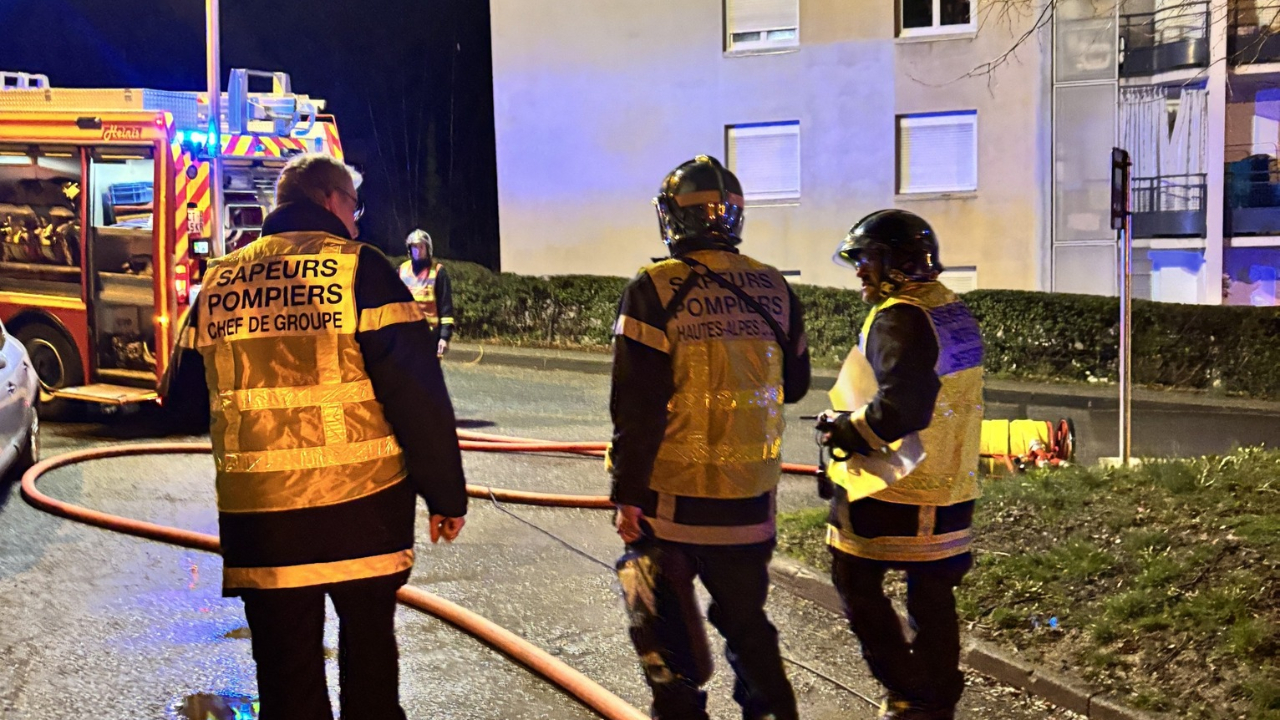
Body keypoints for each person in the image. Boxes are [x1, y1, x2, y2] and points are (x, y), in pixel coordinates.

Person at [162, 153, 468, 720]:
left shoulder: (220, 278)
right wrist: (446, 497)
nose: (356, 219)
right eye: (354, 205)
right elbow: (417, 395)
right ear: (329, 200)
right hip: (363, 509)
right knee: (370, 660)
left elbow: (179, 399)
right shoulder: (363, 268)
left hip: (262, 520)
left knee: (286, 675)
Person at [609, 155, 810, 720]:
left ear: (673, 219)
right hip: (749, 506)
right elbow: (793, 387)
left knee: (663, 639)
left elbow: (636, 407)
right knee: (749, 629)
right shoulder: (775, 288)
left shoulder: (654, 289)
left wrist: (626, 495)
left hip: (670, 507)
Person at [816, 209, 984, 720]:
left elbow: (903, 407)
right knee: (932, 597)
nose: (860, 271)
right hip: (953, 491)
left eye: (866, 260)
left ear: (894, 262)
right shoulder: (949, 309)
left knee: (852, 577)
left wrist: (844, 428)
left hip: (896, 492)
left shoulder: (898, 317)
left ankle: (910, 694)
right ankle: (938, 698)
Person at [399, 230, 454, 357]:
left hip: (429, 336)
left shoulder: (438, 272)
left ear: (428, 248)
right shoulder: (401, 271)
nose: (417, 250)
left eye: (421, 246)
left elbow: (446, 307)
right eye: (414, 246)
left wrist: (444, 337)